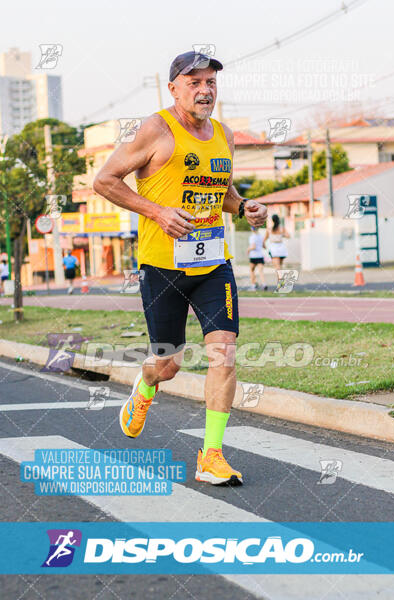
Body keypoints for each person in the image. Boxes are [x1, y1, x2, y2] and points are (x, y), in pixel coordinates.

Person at [94, 50, 267, 486]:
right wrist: (156, 212)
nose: (205, 90)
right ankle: (147, 386)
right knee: (168, 362)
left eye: (211, 82)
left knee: (223, 351)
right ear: (173, 88)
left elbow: (221, 191)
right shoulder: (155, 129)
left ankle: (211, 455)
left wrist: (244, 206)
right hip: (162, 267)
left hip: (213, 263)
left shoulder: (224, 136)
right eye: (195, 83)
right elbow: (105, 180)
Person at [264, 214, 290, 285]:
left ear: (272, 220)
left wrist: (264, 247)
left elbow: (264, 239)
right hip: (281, 248)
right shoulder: (282, 228)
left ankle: (281, 284)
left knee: (277, 267)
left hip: (274, 248)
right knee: (280, 266)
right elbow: (288, 236)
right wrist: (282, 235)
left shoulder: (269, 229)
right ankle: (282, 282)